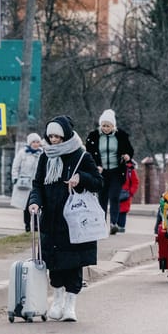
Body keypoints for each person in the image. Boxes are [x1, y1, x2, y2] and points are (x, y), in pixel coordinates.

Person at [26, 115, 101, 322]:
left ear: (66, 135)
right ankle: (57, 301)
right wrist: (35, 202)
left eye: (57, 136)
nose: (53, 140)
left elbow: (98, 182)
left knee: (74, 264)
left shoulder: (80, 156)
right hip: (50, 219)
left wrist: (81, 179)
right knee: (54, 264)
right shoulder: (45, 156)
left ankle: (70, 305)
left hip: (75, 221)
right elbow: (38, 184)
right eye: (50, 136)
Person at [85, 109, 135, 234]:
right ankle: (102, 224)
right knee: (102, 198)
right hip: (101, 172)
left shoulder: (121, 135)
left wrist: (127, 155)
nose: (105, 128)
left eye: (108, 126)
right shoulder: (93, 136)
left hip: (117, 171)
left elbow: (130, 150)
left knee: (114, 196)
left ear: (113, 126)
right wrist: (96, 165)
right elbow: (88, 152)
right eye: (103, 125)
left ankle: (113, 223)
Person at [11, 133, 43, 231]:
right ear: (30, 143)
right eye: (33, 142)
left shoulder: (42, 153)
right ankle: (27, 225)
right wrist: (15, 177)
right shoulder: (22, 153)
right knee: (26, 205)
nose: (36, 144)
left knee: (38, 204)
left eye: (37, 142)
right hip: (25, 183)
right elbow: (15, 166)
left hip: (37, 183)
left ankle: (37, 225)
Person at [116, 158, 139, 231]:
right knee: (115, 210)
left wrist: (130, 193)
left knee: (123, 212)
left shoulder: (130, 169)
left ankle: (121, 228)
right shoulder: (115, 168)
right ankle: (115, 226)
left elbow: (135, 182)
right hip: (116, 193)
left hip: (125, 196)